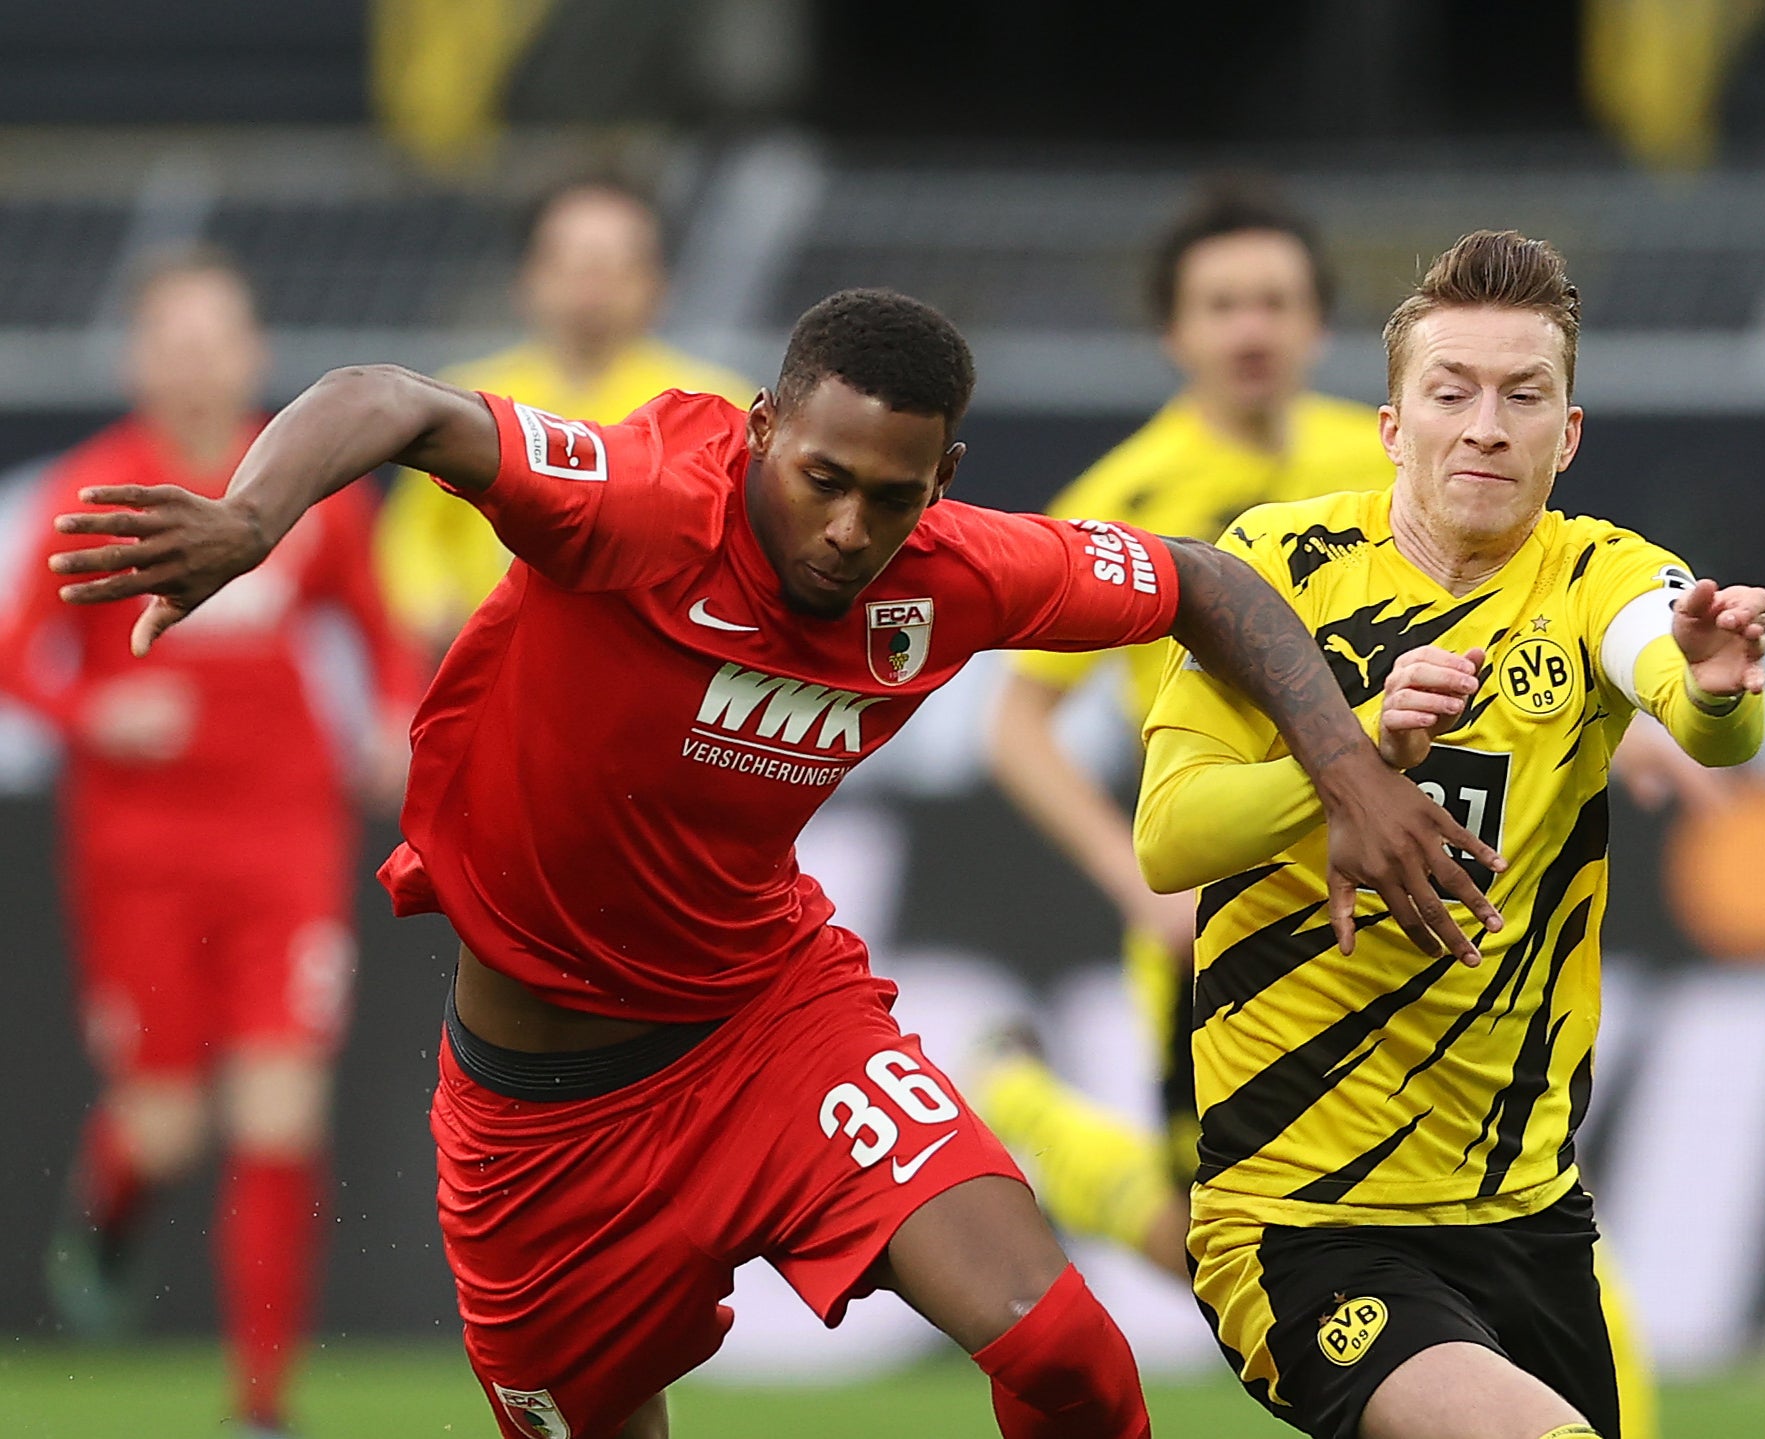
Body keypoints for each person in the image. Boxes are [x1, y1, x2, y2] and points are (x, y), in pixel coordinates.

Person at [47, 287, 1504, 1439]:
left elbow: (1201, 580)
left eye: (893, 494)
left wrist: (1346, 766)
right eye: (820, 478)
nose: (850, 528)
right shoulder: (632, 502)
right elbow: (389, 398)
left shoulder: (954, 569)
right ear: (758, 429)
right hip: (537, 1131)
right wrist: (250, 519)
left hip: (770, 1032)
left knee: (1069, 1355)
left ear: (943, 478)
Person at [1134, 232, 1765, 1439]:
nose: (1486, 425)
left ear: (1565, 433)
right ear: (1390, 425)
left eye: (1521, 395)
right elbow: (1167, 835)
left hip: (1522, 1210)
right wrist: (1349, 754)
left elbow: (1682, 688)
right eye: (1451, 391)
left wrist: (1716, 687)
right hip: (1299, 1209)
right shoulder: (1274, 566)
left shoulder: (1596, 574)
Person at [0, 249, 422, 1438]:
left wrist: (392, 709)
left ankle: (260, 1405)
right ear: (138, 357)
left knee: (280, 1109)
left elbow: (377, 630)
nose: (194, 363)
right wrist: (97, 711)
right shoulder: (95, 493)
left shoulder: (303, 485)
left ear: (249, 353)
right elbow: (17, 659)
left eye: (215, 339)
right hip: (138, 852)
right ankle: (115, 1199)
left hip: (283, 835)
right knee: (168, 1120)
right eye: (170, 340)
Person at [982, 181, 1391, 1278]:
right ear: (1174, 330)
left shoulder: (1394, 468)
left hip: (1382, 886)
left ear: (1316, 321)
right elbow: (1017, 723)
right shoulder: (1122, 499)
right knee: (1213, 1248)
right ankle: (1034, 1117)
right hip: (1213, 912)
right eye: (1220, 305)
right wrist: (1135, 881)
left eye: (1272, 301)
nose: (1249, 328)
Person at [375, 176, 753, 649]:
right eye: (572, 265)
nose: (592, 289)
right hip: (494, 663)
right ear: (528, 276)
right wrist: (430, 606)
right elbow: (414, 532)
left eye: (616, 268)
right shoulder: (466, 398)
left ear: (658, 283)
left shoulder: (715, 408)